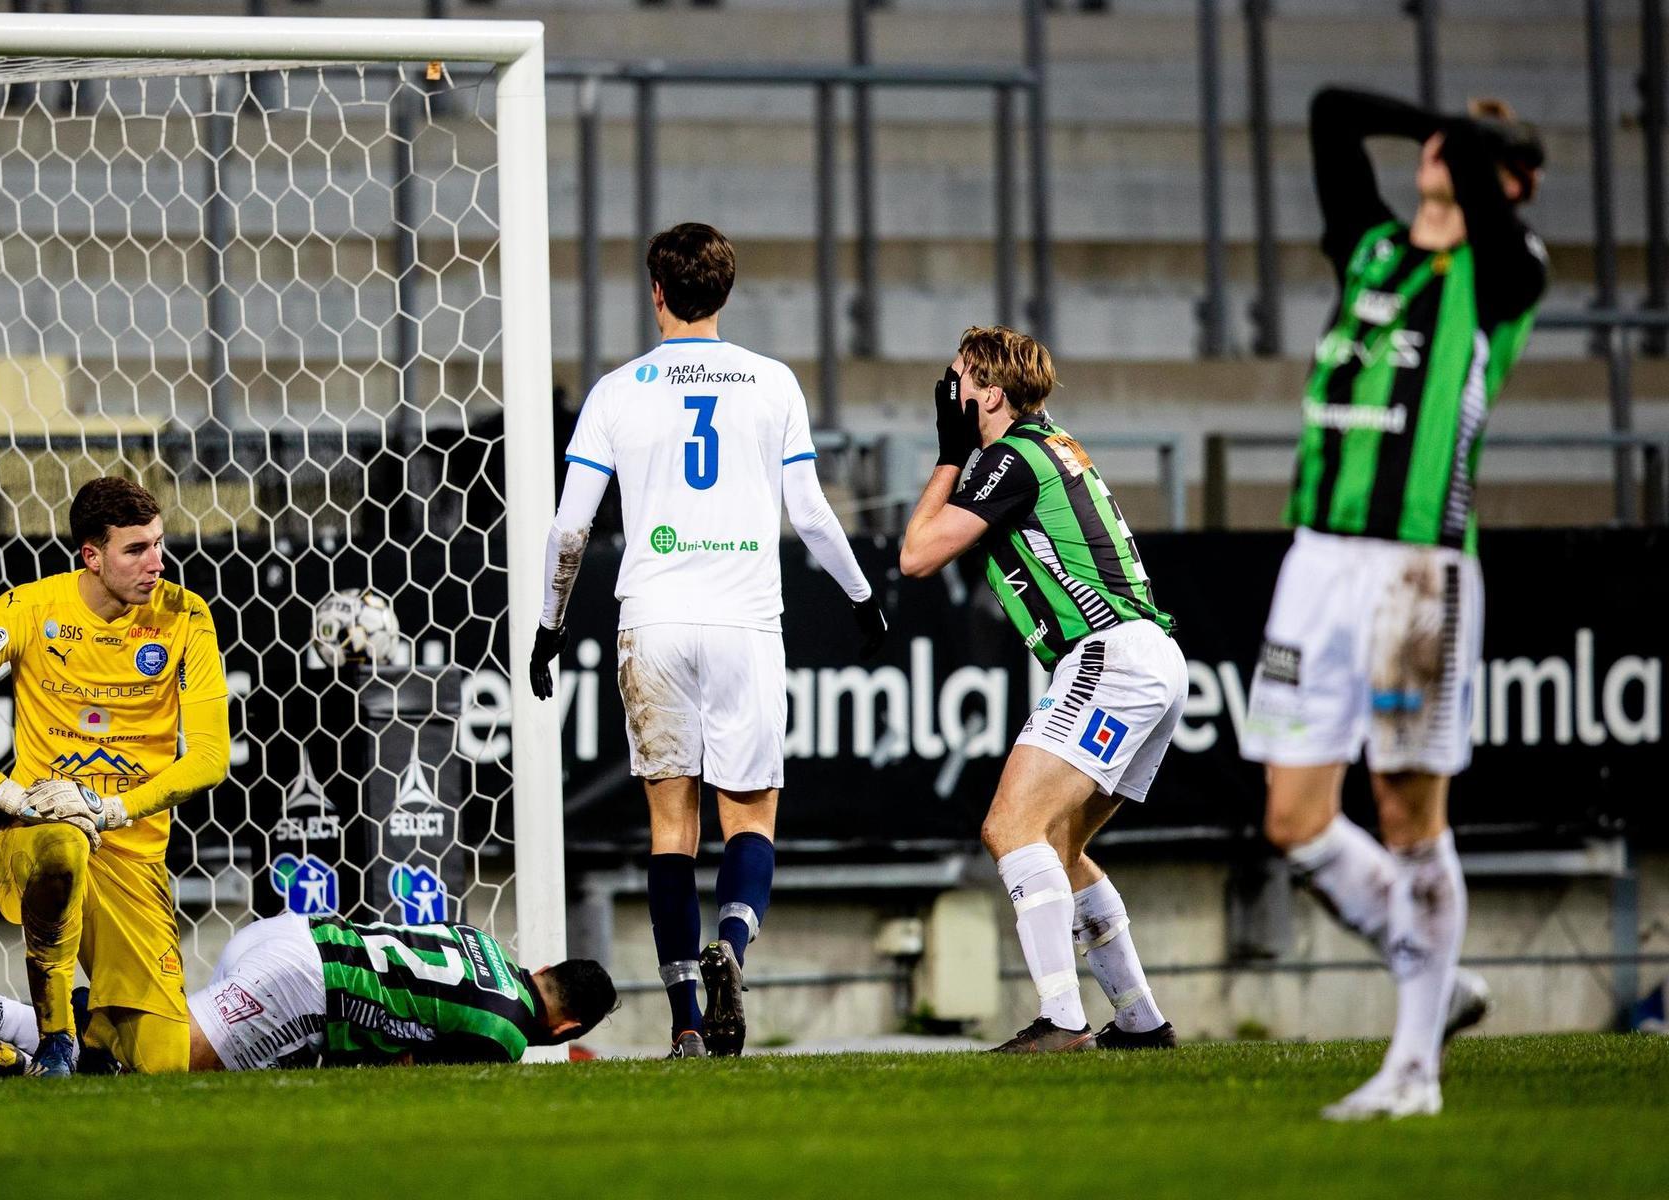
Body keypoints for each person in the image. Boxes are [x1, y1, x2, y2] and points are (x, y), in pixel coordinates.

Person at [1240, 87, 1547, 1121]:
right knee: (1293, 817)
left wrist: (1472, 148)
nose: (1442, 156)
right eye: (1440, 143)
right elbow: (1326, 109)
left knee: (1411, 814)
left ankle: (1414, 1066)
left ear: (1513, 185)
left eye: (1472, 153)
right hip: (1314, 563)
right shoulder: (1370, 248)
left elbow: (1488, 206)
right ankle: (1437, 974)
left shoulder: (1508, 271)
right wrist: (1446, 122)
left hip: (1417, 572)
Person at [530, 222, 886, 1058]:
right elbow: (811, 515)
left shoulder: (617, 392)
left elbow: (569, 529)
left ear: (657, 294)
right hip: (743, 620)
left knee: (670, 830)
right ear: (724, 293)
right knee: (751, 814)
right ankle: (733, 940)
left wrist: (549, 627)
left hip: (651, 619)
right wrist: (863, 597)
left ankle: (687, 1018)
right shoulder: (773, 384)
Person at [900, 326, 1183, 1054]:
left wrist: (948, 454)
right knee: (1060, 844)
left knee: (1008, 829)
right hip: (1149, 657)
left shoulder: (1009, 458)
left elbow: (916, 555)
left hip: (1108, 656)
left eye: (958, 379)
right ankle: (1142, 1021)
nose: (950, 393)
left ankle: (1062, 1020)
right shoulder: (1049, 443)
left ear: (990, 394)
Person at [0, 476, 231, 1078]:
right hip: (31, 832)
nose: (156, 563)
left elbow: (209, 759)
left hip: (131, 854)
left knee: (163, 1063)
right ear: (92, 556)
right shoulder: (27, 610)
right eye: (136, 550)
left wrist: (109, 810)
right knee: (63, 845)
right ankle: (53, 1040)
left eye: (158, 543)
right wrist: (10, 796)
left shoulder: (185, 617)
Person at [0, 915, 617, 1074]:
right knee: (166, 1060)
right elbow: (408, 1078)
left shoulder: (480, 941)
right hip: (303, 986)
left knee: (185, 1074)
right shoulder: (507, 1035)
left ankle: (19, 1065)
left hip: (289, 934)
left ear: (546, 966)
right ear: (569, 1024)